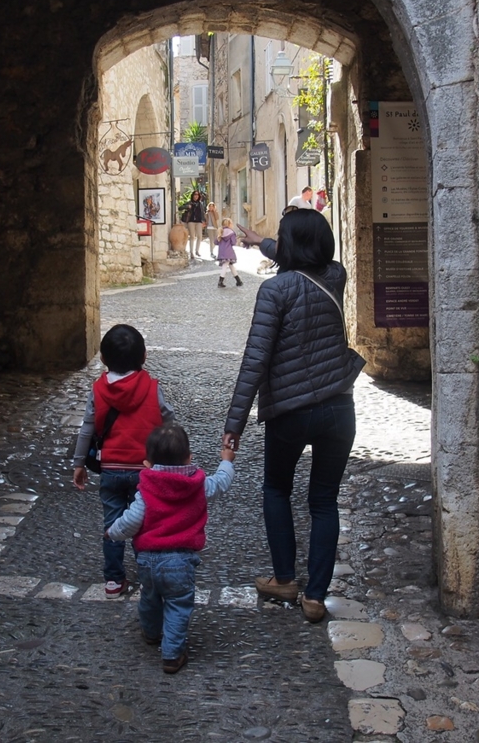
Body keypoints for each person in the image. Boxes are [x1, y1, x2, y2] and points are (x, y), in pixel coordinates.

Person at [222, 209, 365, 624]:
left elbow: (255, 362)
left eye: (282, 239)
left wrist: (234, 426)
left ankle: (285, 578)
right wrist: (258, 242)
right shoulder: (335, 276)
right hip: (339, 408)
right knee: (324, 501)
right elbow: (303, 254)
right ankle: (316, 597)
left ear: (290, 245)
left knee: (276, 490)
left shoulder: (274, 292)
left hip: (290, 411)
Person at [106, 423, 235, 674]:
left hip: (147, 560)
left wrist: (113, 532)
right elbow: (221, 482)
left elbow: (132, 520)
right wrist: (226, 460)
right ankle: (172, 654)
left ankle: (151, 633)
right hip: (181, 562)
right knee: (178, 605)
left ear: (147, 463)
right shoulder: (198, 485)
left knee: (149, 598)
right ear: (189, 457)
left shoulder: (147, 490)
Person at [72, 324, 176, 599]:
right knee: (145, 522)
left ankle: (114, 581)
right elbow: (169, 421)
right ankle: (146, 573)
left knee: (113, 524)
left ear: (103, 359)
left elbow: (87, 429)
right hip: (146, 470)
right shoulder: (152, 388)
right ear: (143, 356)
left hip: (111, 469)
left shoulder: (98, 390)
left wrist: (79, 463)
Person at [216, 218, 243, 288]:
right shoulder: (231, 232)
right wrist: (235, 239)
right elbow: (233, 243)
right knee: (225, 266)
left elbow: (215, 242)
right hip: (228, 252)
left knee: (231, 265)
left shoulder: (220, 231)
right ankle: (220, 282)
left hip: (222, 252)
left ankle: (238, 281)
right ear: (229, 224)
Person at [179, 190, 205, 259]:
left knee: (200, 236)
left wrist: (204, 221)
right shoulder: (189, 203)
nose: (196, 196)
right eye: (195, 195)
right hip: (191, 221)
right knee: (192, 237)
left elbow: (202, 213)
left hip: (199, 222)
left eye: (197, 195)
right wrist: (187, 206)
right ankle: (191, 252)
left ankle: (197, 250)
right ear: (193, 196)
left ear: (199, 196)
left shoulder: (200, 204)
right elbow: (180, 208)